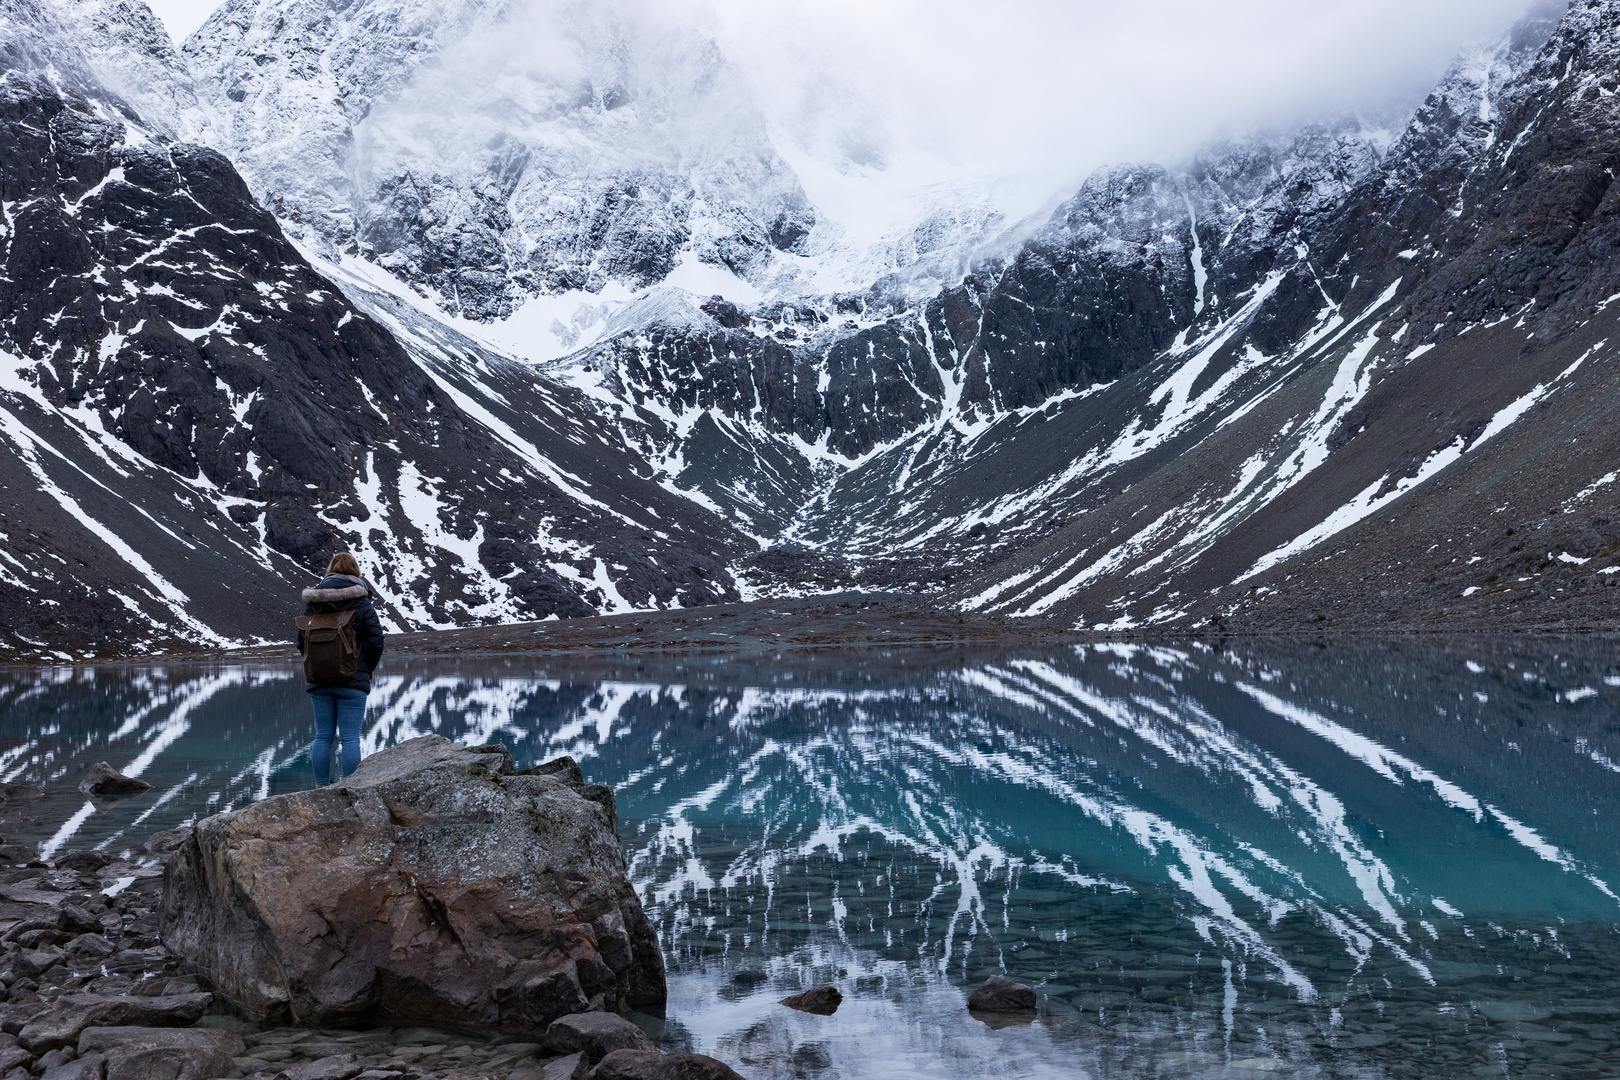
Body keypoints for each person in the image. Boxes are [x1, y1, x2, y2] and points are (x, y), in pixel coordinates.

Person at [297, 552, 385, 785]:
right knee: (350, 738)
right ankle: (350, 789)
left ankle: (321, 786)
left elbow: (301, 640)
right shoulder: (362, 602)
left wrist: (317, 663)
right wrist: (366, 669)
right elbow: (376, 640)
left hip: (319, 680)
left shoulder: (313, 603)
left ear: (330, 570)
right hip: (353, 679)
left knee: (323, 736)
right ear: (355, 571)